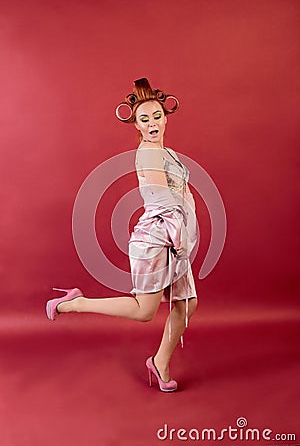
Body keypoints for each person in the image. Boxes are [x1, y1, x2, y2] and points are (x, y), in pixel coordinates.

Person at [46, 78, 198, 392]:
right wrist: (182, 242)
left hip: (174, 238)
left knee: (187, 305)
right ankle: (74, 303)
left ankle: (159, 363)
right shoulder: (149, 154)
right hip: (159, 239)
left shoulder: (165, 151)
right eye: (145, 119)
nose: (153, 122)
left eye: (157, 116)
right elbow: (166, 203)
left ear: (165, 118)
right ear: (137, 126)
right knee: (145, 311)